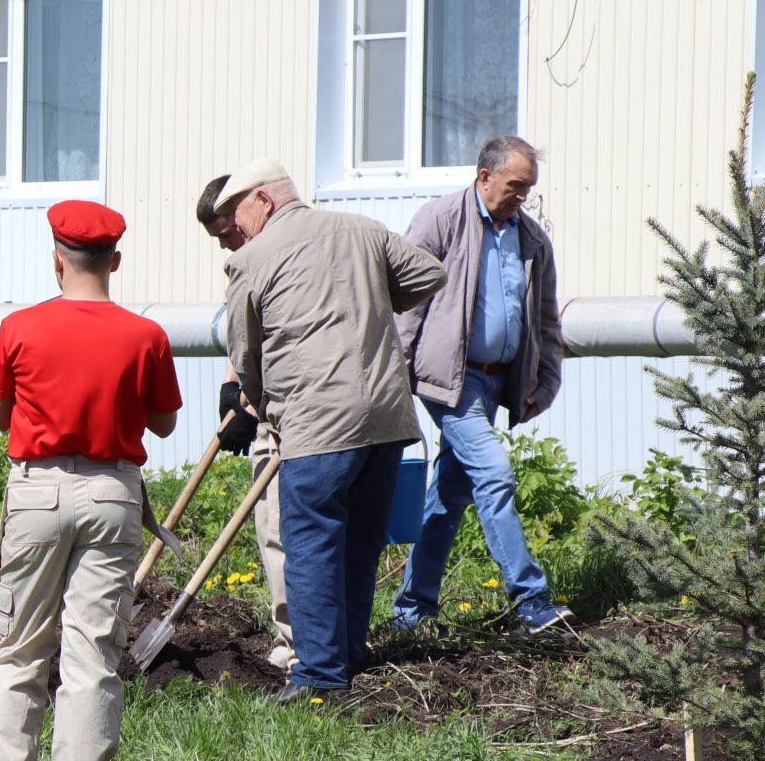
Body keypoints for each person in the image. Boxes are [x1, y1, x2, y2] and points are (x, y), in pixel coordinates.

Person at [0, 200, 182, 761]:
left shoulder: (20, 327)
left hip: (36, 494)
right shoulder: (145, 335)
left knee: (19, 652)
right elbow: (165, 423)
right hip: (113, 496)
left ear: (57, 259)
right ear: (114, 261)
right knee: (91, 655)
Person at [218, 159, 445, 701]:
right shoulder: (363, 229)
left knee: (312, 542)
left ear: (265, 201)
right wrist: (367, 300)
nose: (235, 231)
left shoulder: (253, 258)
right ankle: (348, 653)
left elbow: (244, 351)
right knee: (362, 540)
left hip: (319, 423)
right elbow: (429, 274)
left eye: (236, 215)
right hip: (387, 418)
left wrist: (251, 399)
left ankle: (319, 675)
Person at [391, 137, 573, 634]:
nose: (523, 197)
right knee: (495, 475)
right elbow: (405, 302)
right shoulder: (441, 220)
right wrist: (393, 374)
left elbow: (545, 320)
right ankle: (531, 600)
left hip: (498, 383)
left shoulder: (532, 239)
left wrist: (544, 382)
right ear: (485, 176)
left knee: (450, 494)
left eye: (529, 189)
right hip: (450, 380)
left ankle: (412, 610)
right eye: (516, 186)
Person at [194, 174, 295, 671]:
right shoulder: (246, 261)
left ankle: (304, 642)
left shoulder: (288, 251)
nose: (226, 244)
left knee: (284, 523)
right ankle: (294, 631)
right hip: (266, 407)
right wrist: (233, 390)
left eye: (228, 232)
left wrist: (252, 404)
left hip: (295, 413)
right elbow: (246, 334)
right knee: (273, 525)